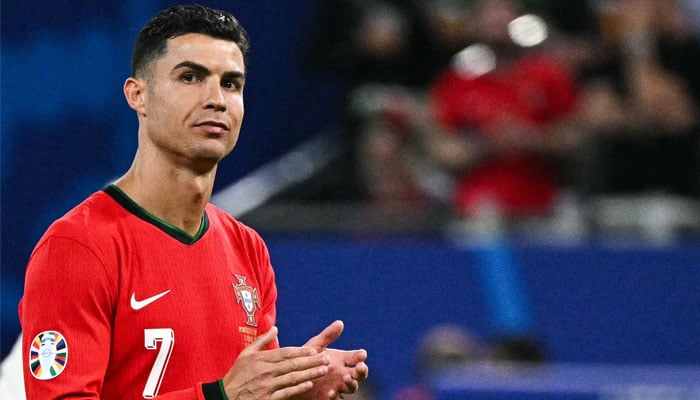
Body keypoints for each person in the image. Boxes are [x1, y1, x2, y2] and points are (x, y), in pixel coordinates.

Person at [18, 5, 368, 400]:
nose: (216, 99)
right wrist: (219, 396)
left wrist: (293, 388)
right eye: (191, 77)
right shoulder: (78, 247)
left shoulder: (248, 248)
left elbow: (247, 394)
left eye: (231, 84)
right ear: (138, 95)